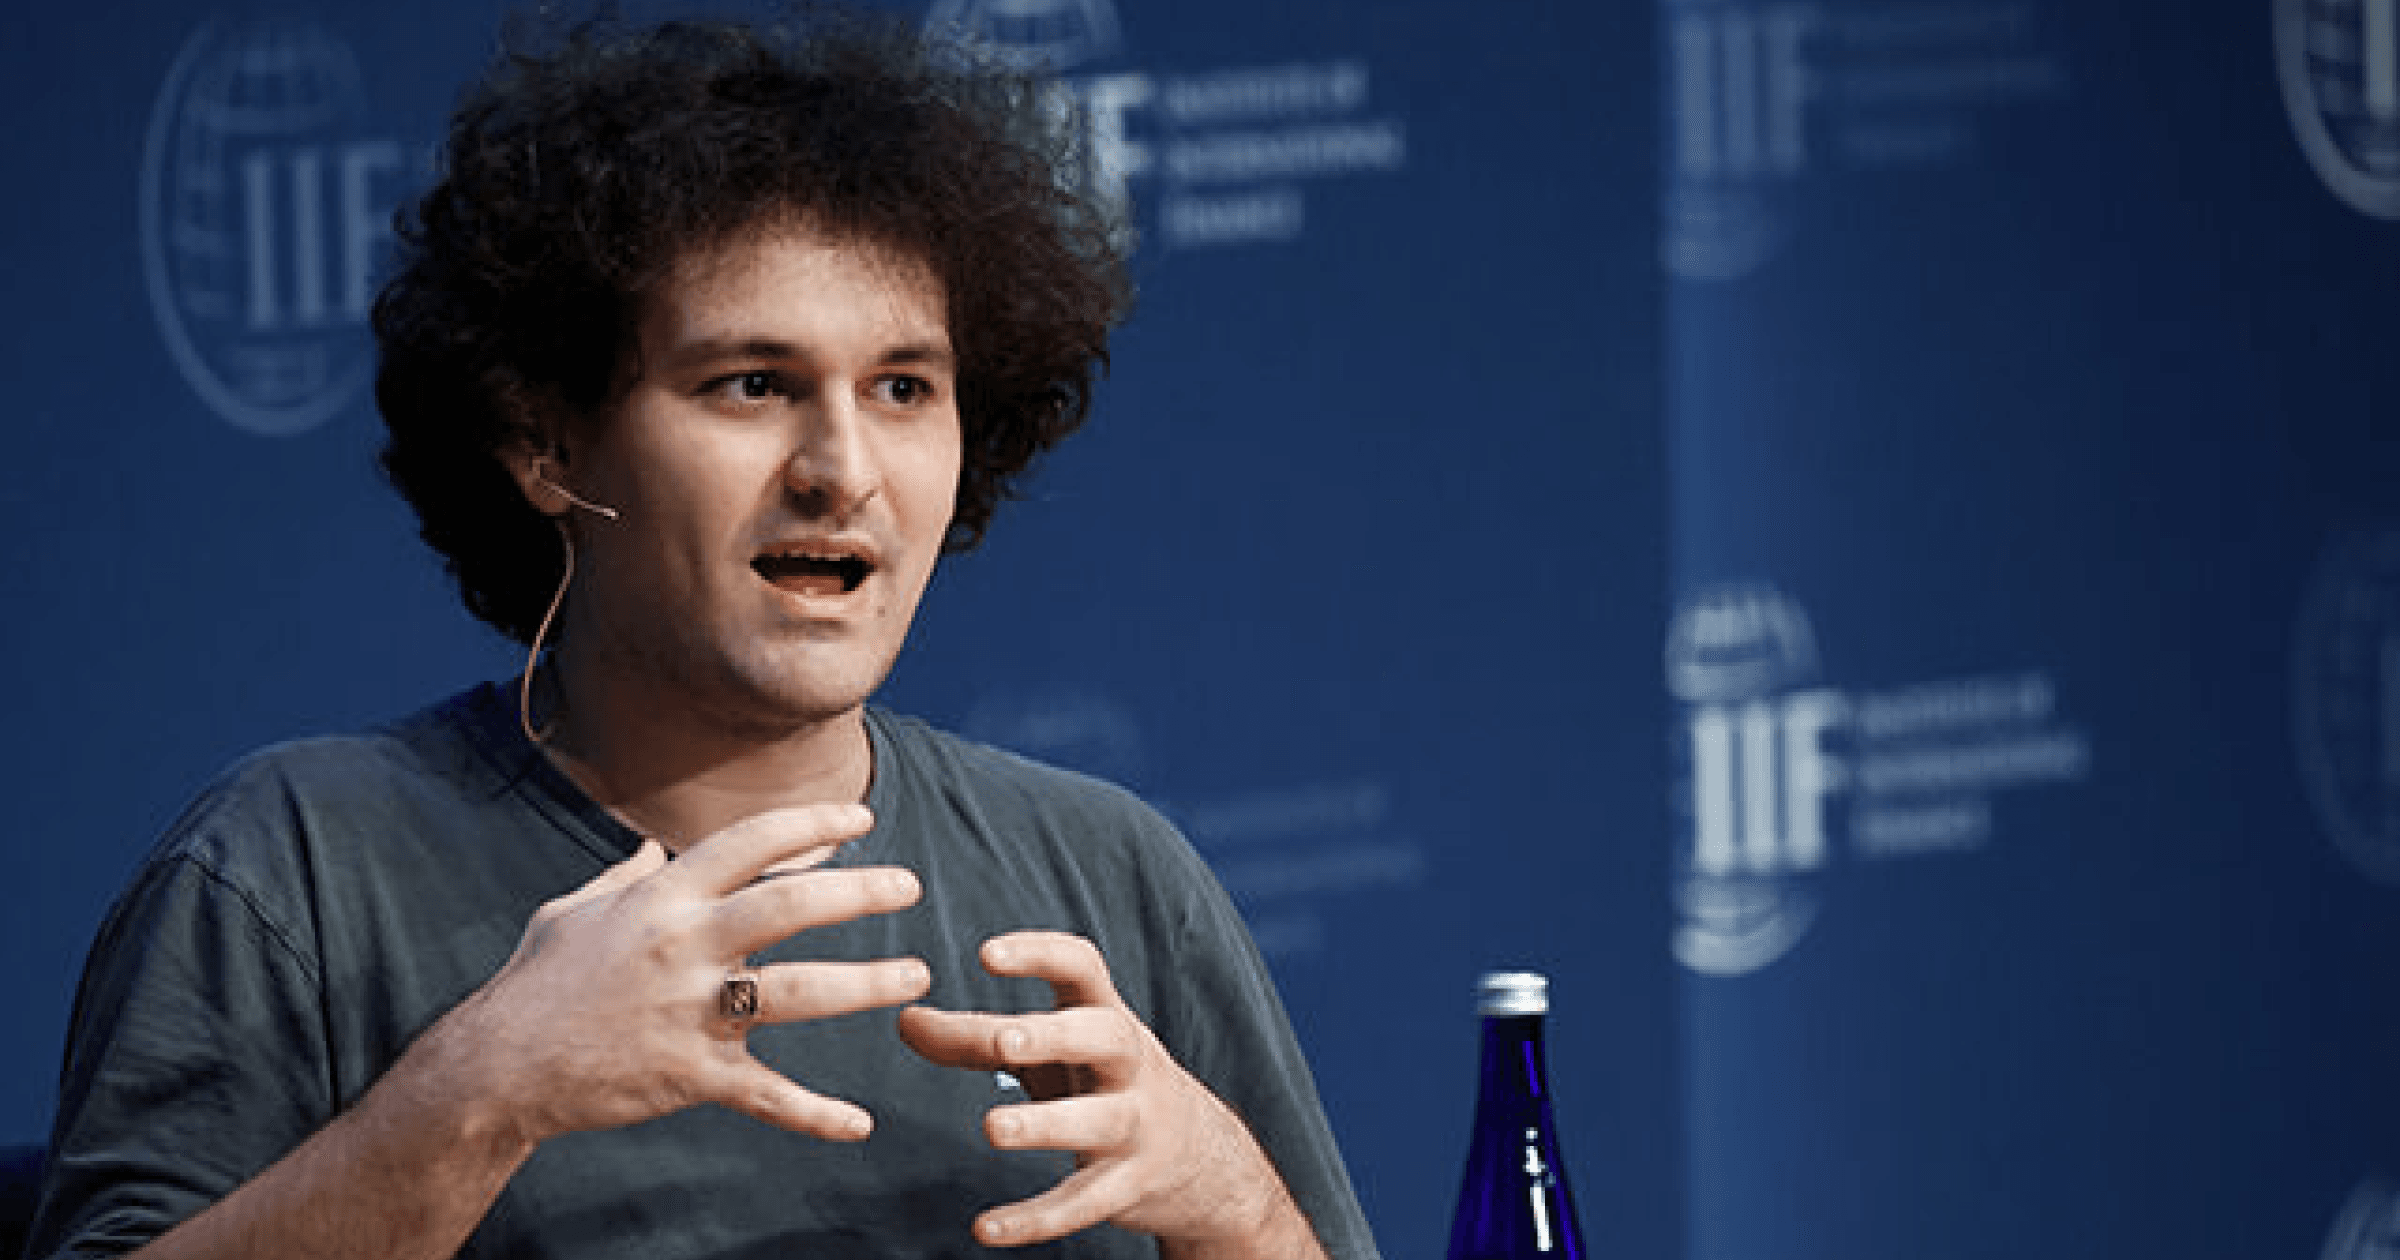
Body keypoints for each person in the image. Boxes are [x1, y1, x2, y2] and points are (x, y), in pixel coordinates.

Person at [27, 12, 1378, 1260]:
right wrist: (481, 1097)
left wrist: (1235, 1204)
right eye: (752, 384)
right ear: (546, 443)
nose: (842, 469)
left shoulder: (1111, 875)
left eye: (904, 387)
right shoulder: (295, 874)